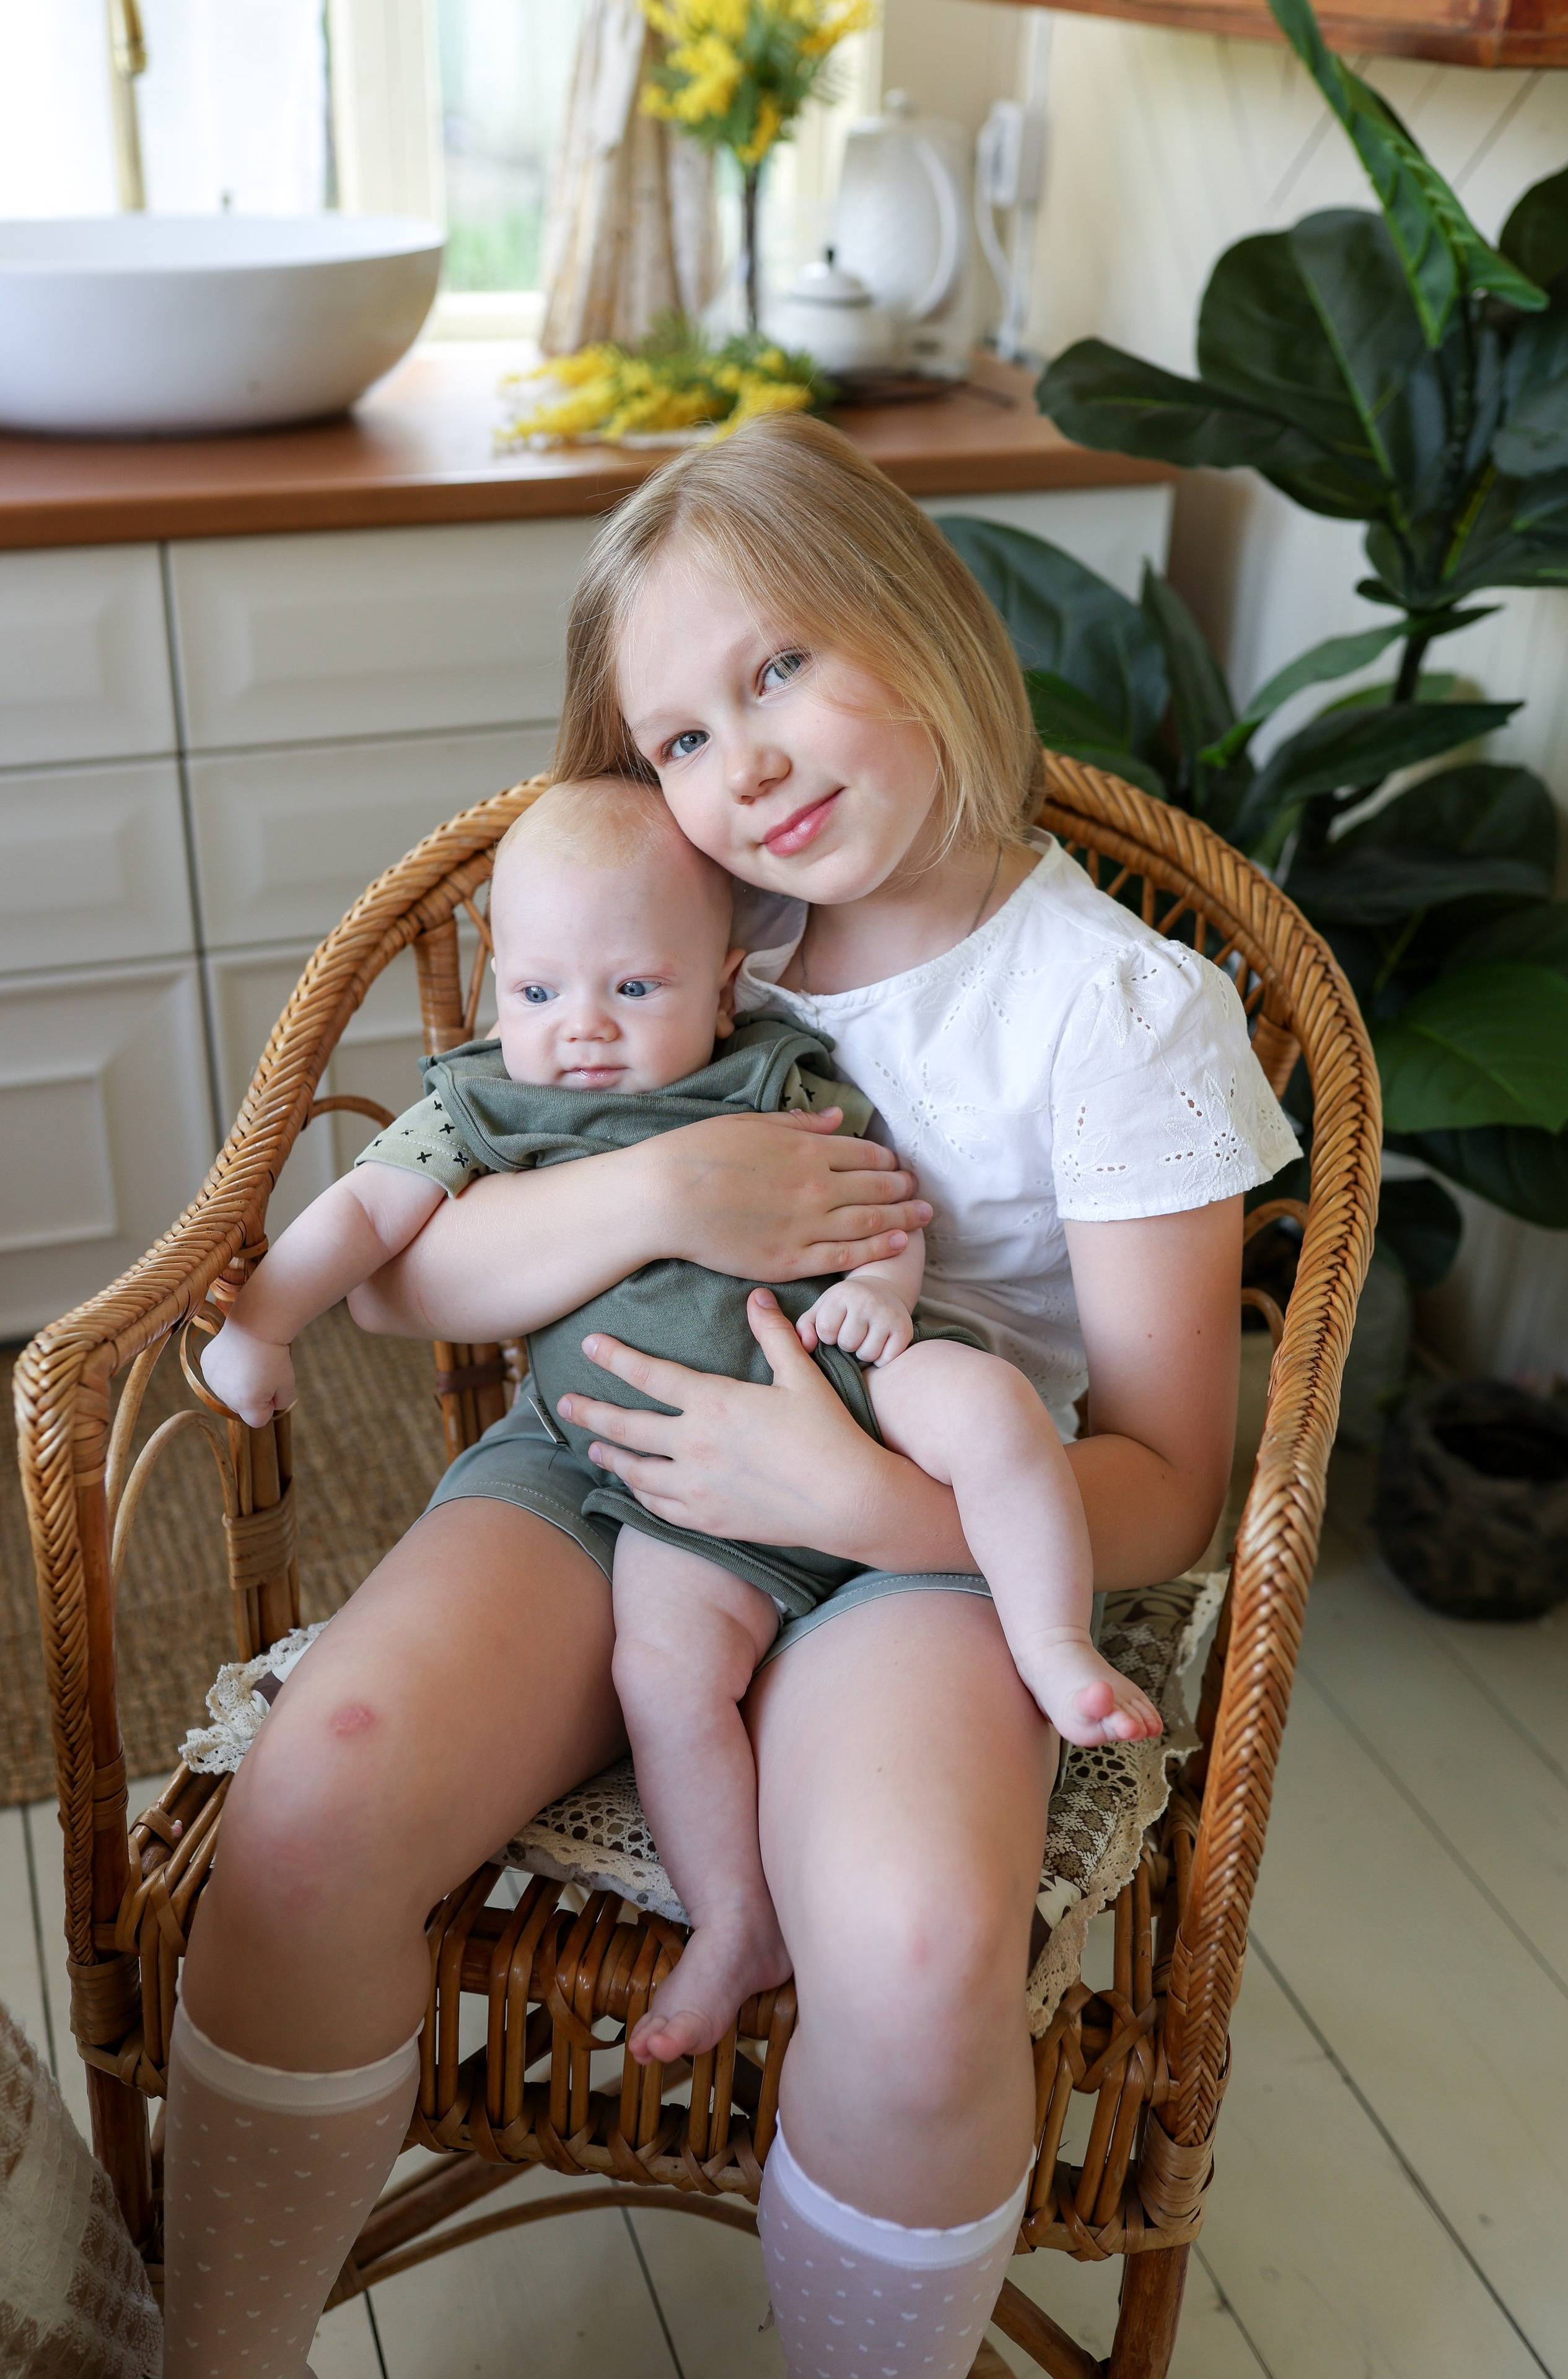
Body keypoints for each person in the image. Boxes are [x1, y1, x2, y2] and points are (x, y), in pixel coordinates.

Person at [166, 412, 1298, 2379]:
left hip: (923, 1536)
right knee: (314, 1794)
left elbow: (1179, 1481)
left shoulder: (1114, 1010)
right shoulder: (675, 946)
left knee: (924, 1944)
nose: (743, 765)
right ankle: (217, 2355)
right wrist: (656, 1187)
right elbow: (411, 1284)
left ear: (925, 610)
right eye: (681, 736)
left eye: (776, 669)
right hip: (595, 1469)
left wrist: (861, 1510)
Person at [199, 772, 1159, 2080]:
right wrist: (260, 1321)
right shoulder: (487, 1104)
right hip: (666, 1486)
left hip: (851, 1392)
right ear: (498, 982)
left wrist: (879, 1299)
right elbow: (368, 1225)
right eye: (537, 993)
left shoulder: (771, 1069)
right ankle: (734, 1915)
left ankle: (1049, 1644)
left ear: (723, 981)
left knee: (988, 1404)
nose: (579, 1031)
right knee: (663, 1677)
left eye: (631, 991)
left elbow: (883, 1206)